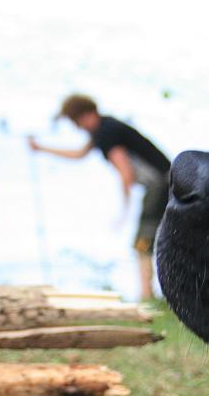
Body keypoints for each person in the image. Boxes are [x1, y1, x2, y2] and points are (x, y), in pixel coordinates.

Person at [28, 94, 170, 300]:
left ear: (85, 115)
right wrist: (41, 149)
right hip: (166, 183)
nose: (78, 128)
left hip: (160, 186)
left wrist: (124, 210)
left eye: (76, 122)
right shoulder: (105, 128)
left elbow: (126, 173)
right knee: (155, 238)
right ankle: (151, 294)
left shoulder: (107, 133)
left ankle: (147, 296)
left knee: (143, 240)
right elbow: (79, 155)